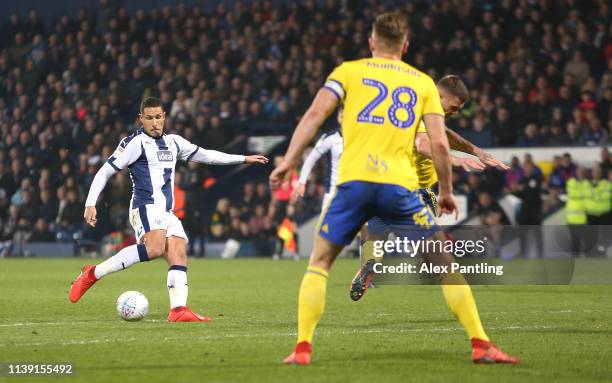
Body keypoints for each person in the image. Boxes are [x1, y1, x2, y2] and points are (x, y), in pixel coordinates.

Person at [270, 13, 517, 365]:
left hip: (354, 184)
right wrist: (446, 190)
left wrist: (288, 162)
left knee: (320, 262)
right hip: (400, 188)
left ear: (372, 42)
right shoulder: (422, 83)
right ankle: (480, 344)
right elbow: (440, 144)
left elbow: (313, 115)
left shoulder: (348, 71)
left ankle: (302, 349)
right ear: (405, 45)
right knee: (445, 265)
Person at [69, 97, 268, 322]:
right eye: (149, 118)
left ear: (164, 117)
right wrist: (90, 203)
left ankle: (178, 310)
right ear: (141, 119)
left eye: (158, 117)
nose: (155, 123)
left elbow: (207, 155)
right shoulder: (134, 143)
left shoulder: (174, 142)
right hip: (145, 206)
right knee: (154, 249)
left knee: (179, 252)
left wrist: (243, 159)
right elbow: (105, 171)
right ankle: (92, 273)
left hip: (166, 211)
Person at [350, 75, 509, 300]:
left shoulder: (414, 106)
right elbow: (422, 144)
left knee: (375, 235)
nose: (454, 112)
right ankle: (467, 310)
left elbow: (443, 133)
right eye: (452, 107)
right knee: (440, 256)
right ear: (440, 95)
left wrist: (475, 151)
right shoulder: (423, 111)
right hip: (417, 193)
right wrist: (455, 159)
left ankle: (371, 264)